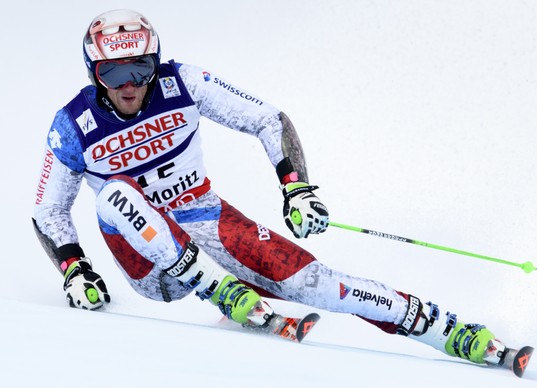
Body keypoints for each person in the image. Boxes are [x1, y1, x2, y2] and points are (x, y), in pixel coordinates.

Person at [34, 9, 511, 367]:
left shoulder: (183, 82)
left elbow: (268, 118)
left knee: (315, 282)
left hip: (208, 221)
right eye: (113, 73)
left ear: (155, 63)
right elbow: (48, 211)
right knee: (116, 194)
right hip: (149, 263)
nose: (129, 85)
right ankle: (222, 291)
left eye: (140, 68)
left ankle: (445, 329)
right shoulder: (74, 125)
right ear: (93, 73)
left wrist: (296, 188)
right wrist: (75, 270)